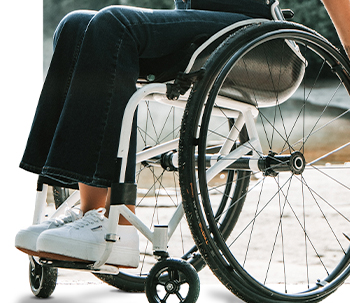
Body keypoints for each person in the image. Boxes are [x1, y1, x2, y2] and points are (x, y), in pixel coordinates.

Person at [15, 0, 255, 267]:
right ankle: (91, 214)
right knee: (74, 25)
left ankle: (121, 225)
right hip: (195, 16)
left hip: (243, 19)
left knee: (114, 23)